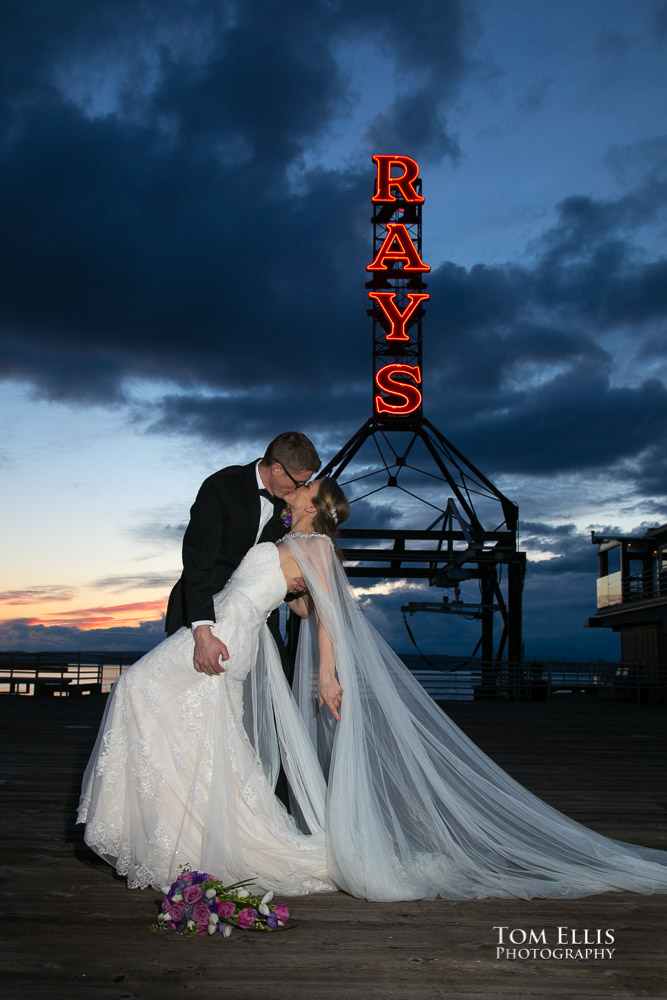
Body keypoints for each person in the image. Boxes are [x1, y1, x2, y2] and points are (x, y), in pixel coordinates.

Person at [78, 478, 667, 902]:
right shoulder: (290, 542)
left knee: (137, 689)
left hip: (227, 635)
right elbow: (303, 605)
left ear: (316, 505)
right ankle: (184, 834)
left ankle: (191, 833)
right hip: (232, 630)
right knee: (192, 731)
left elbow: (326, 617)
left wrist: (326, 673)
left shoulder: (319, 547)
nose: (297, 489)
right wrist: (296, 597)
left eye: (306, 489)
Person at [165, 431, 320, 679]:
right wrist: (203, 631)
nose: (299, 489)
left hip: (255, 618)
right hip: (201, 609)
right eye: (298, 482)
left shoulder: (289, 504)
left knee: (275, 690)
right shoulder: (221, 487)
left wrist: (292, 585)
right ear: (277, 469)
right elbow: (198, 561)